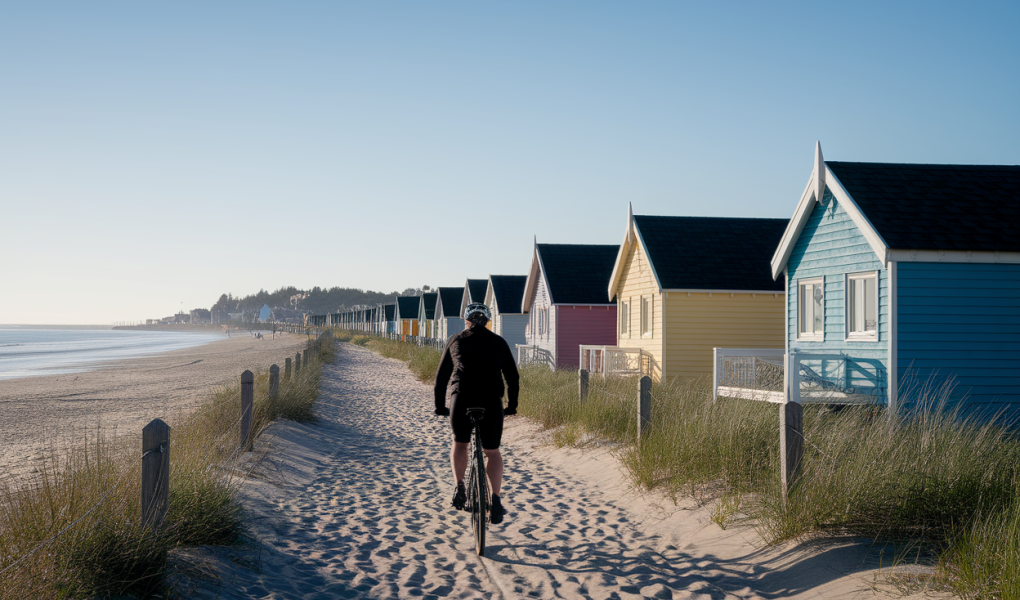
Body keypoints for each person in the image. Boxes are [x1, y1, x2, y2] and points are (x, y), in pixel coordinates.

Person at [434, 302, 519, 524]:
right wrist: (512, 405)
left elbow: (441, 377)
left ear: (467, 320)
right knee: (492, 451)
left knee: (460, 443)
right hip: (491, 401)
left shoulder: (456, 340)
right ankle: (496, 499)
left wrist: (440, 406)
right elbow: (513, 377)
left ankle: (460, 486)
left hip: (461, 399)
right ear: (487, 321)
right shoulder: (499, 342)